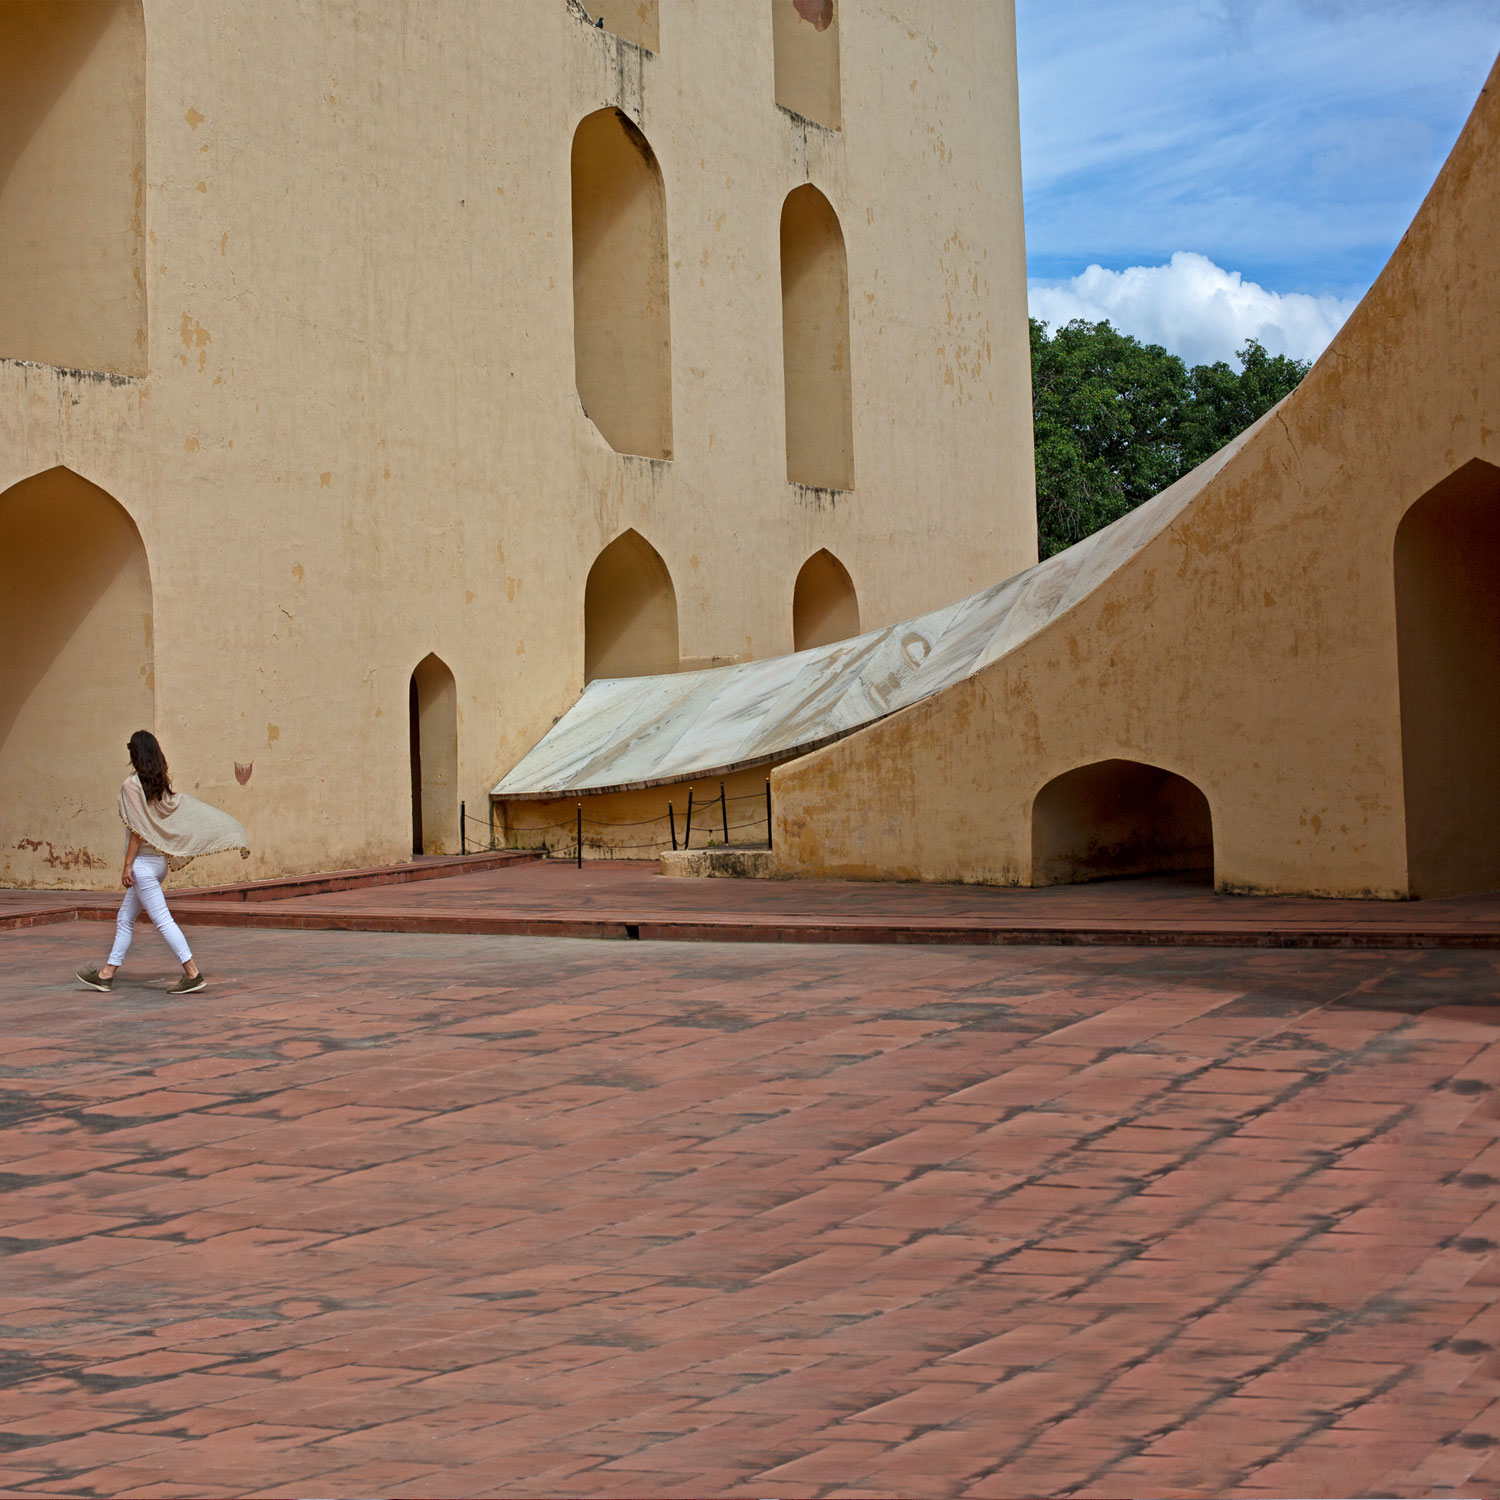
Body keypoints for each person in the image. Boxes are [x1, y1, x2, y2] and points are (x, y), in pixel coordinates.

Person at [76, 730, 250, 994]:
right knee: (125, 917)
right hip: (157, 864)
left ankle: (192, 972)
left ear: (135, 753)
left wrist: (126, 866)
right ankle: (106, 974)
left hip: (143, 865)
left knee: (162, 920)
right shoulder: (159, 785)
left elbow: (138, 830)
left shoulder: (131, 785)